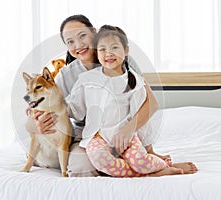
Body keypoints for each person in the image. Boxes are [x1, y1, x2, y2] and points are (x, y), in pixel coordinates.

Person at [26, 14, 197, 176]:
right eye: (70, 41)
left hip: (124, 130)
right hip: (89, 136)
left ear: (94, 32)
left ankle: (152, 163)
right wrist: (34, 125)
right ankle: (143, 170)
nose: (78, 44)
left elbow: (147, 103)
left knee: (134, 154)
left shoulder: (121, 61)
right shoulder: (68, 75)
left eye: (82, 36)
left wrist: (129, 132)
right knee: (80, 169)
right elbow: (52, 107)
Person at [67, 24, 187, 177]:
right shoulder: (87, 79)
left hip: (126, 136)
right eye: (102, 49)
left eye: (114, 47)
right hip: (98, 136)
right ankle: (151, 174)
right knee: (100, 159)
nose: (108, 54)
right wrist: (50, 108)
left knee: (141, 162)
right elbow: (75, 109)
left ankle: (164, 165)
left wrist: (148, 149)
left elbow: (142, 114)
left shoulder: (134, 81)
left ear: (126, 50)